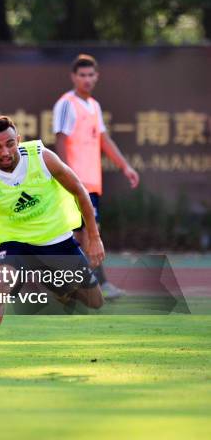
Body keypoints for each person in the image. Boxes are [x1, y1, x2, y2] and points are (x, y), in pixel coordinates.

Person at [0, 116, 105, 375]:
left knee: (94, 301)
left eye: (9, 144)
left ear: (18, 140)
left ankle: (51, 282)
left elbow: (80, 191)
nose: (4, 151)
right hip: (15, 245)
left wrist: (93, 237)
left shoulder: (42, 157)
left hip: (57, 240)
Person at [53, 54, 139, 299]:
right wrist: (66, 178)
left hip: (92, 183)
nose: (87, 79)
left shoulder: (94, 105)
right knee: (91, 232)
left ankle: (68, 286)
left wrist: (125, 166)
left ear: (97, 76)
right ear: (73, 77)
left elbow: (104, 139)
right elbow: (60, 139)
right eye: (82, 75)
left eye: (91, 75)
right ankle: (99, 284)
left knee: (80, 236)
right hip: (76, 182)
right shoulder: (67, 104)